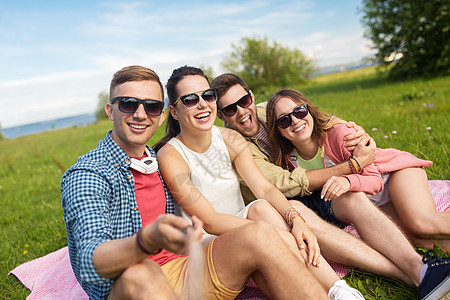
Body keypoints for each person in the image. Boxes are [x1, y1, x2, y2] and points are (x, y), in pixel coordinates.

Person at [61, 65, 330, 300]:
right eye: (129, 104)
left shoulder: (156, 160)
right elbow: (89, 262)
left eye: (151, 106)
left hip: (189, 269)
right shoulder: (88, 174)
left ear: (162, 115)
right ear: (110, 110)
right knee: (140, 273)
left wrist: (287, 222)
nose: (141, 114)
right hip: (134, 286)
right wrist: (147, 240)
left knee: (260, 232)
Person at [211, 73, 450, 299]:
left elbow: (318, 119)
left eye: (244, 101)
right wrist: (351, 166)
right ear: (222, 115)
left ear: (251, 96)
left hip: (387, 172)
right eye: (231, 109)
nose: (242, 111)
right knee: (412, 235)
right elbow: (284, 183)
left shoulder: (272, 110)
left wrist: (353, 133)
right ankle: (427, 274)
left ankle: (425, 273)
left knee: (421, 222)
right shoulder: (238, 144)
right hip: (356, 187)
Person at [154, 65, 365, 299]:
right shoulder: (171, 155)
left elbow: (263, 188)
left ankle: (340, 291)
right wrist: (270, 233)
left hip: (245, 225)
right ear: (174, 111)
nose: (203, 104)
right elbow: (210, 222)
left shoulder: (230, 138)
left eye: (208, 96)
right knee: (272, 233)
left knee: (262, 207)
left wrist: (295, 220)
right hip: (207, 245)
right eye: (191, 100)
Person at [266, 88, 450, 251]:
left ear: (309, 111)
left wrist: (347, 181)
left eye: (299, 111)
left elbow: (375, 180)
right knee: (417, 239)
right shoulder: (288, 162)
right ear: (278, 130)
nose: (295, 121)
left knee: (421, 224)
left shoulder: (340, 134)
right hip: (371, 200)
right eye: (284, 120)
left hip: (393, 173)